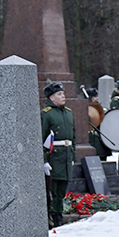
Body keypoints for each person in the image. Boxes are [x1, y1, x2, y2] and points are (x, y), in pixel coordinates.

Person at [41, 82, 76, 224]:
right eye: (59, 94)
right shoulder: (46, 114)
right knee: (53, 188)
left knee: (62, 188)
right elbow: (42, 137)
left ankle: (58, 213)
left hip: (66, 155)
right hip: (54, 155)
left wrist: (73, 156)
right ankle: (54, 216)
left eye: (63, 93)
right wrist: (44, 160)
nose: (63, 96)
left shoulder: (68, 113)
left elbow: (72, 136)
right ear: (51, 98)